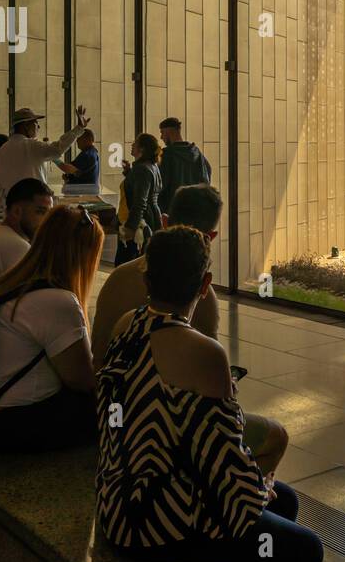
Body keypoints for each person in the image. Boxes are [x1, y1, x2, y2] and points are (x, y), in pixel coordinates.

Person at [96, 226, 322, 562]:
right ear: (205, 284)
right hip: (155, 524)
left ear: (147, 278)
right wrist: (259, 487)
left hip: (120, 499)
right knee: (304, 548)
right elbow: (223, 459)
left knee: (287, 501)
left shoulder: (127, 325)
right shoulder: (203, 353)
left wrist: (257, 488)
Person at [91, 184, 287, 476]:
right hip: (165, 438)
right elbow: (217, 409)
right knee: (276, 436)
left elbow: (99, 359)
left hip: (114, 423)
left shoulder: (119, 279)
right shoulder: (202, 301)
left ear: (165, 222)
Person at [0, 205, 104, 452]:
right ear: (82, 255)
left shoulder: (10, 285)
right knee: (119, 406)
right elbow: (82, 380)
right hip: (26, 422)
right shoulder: (57, 302)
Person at [0, 105, 90, 205]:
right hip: (35, 206)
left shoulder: (2, 149)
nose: (38, 127)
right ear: (26, 125)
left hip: (13, 207)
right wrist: (79, 129)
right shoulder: (32, 146)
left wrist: (4, 205)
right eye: (35, 123)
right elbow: (58, 149)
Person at [0, 178, 53, 280]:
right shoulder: (15, 244)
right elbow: (37, 292)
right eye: (40, 212)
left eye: (49, 213)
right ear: (16, 211)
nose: (47, 220)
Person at [115, 133, 162, 267]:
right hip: (151, 218)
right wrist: (129, 172)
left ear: (141, 149)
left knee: (126, 264)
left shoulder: (141, 170)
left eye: (135, 143)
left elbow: (139, 202)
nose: (132, 145)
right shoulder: (152, 166)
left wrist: (130, 227)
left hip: (140, 223)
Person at [157, 117, 212, 215]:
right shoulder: (196, 153)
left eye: (162, 133)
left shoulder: (167, 155)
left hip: (173, 210)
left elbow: (161, 185)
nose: (161, 137)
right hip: (195, 209)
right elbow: (207, 176)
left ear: (170, 132)